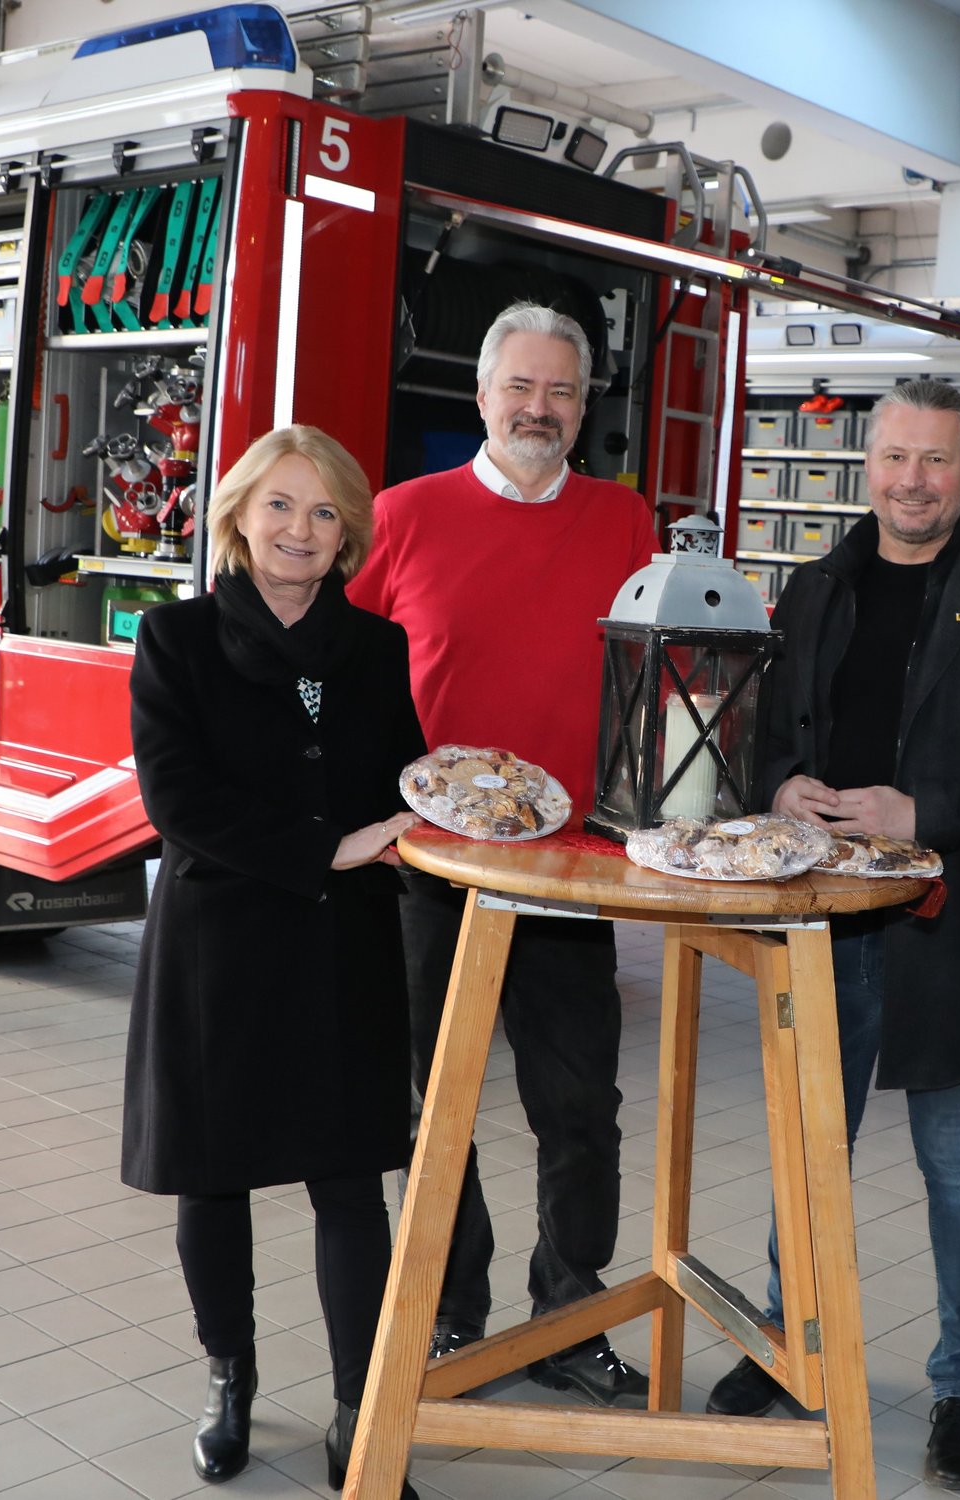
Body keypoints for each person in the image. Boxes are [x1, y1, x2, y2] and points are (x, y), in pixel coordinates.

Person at [706, 378, 960, 1491]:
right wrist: (778, 785)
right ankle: (788, 1347)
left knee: (959, 1168)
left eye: (935, 461)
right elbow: (766, 732)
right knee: (804, 1154)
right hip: (819, 916)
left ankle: (959, 1386)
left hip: (942, 924)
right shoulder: (816, 586)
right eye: (893, 458)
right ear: (864, 463)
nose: (911, 481)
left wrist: (922, 816)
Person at [347, 301, 659, 1406]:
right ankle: (447, 1314)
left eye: (560, 391)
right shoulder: (402, 515)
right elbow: (341, 670)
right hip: (429, 868)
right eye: (520, 388)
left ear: (584, 408)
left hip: (570, 867)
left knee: (580, 1103)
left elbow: (651, 686)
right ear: (480, 397)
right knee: (432, 1104)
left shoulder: (623, 521)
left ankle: (568, 1314)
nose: (539, 409)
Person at [121, 425, 425, 1495]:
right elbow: (176, 799)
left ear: (349, 536)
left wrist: (444, 803)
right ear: (239, 517)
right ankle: (229, 1381)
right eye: (280, 506)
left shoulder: (376, 649)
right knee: (214, 1181)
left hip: (342, 952)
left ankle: (359, 1411)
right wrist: (323, 848)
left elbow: (401, 781)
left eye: (326, 512)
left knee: (350, 1186)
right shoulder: (176, 640)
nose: (301, 530)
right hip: (219, 950)